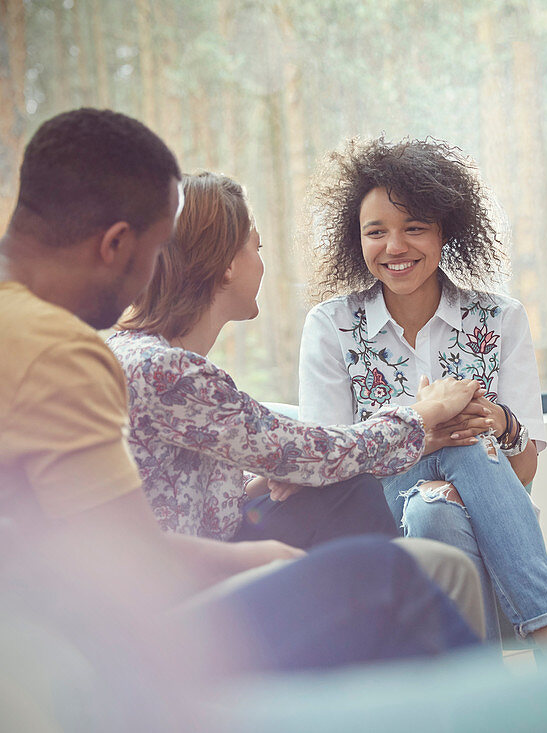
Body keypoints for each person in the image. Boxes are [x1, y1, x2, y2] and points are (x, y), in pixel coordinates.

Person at [0, 108, 484, 667]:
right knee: (395, 573)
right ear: (115, 244)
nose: (160, 268)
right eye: (158, 248)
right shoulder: (69, 358)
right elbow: (127, 561)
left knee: (344, 504)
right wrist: (265, 558)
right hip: (104, 639)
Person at [298, 136, 547, 658]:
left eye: (415, 228)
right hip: (369, 519)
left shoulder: (500, 319)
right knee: (460, 437)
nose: (395, 247)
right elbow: (331, 473)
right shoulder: (332, 326)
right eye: (376, 232)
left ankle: (481, 693)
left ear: (444, 233)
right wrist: (429, 437)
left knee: (436, 511)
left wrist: (502, 423)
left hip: (475, 512)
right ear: (357, 240)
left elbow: (521, 474)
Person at [108, 170, 485, 564]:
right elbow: (323, 452)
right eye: (257, 247)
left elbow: (178, 492)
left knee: (337, 490)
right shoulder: (170, 374)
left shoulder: (135, 356)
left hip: (180, 563)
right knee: (350, 490)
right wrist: (426, 413)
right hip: (176, 587)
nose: (261, 263)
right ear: (226, 266)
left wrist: (268, 479)